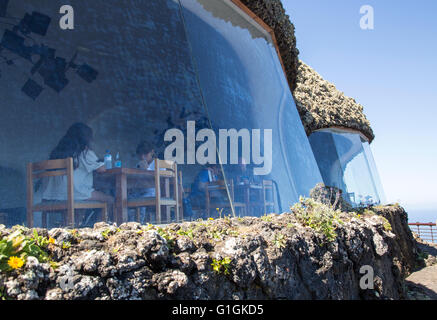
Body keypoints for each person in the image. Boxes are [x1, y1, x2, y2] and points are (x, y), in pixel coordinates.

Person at [40, 122, 114, 223]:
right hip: (74, 194)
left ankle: (71, 226)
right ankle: (98, 228)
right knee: (110, 199)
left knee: (82, 203)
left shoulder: (57, 153)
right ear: (86, 138)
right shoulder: (84, 153)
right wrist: (99, 160)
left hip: (53, 196)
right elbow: (102, 169)